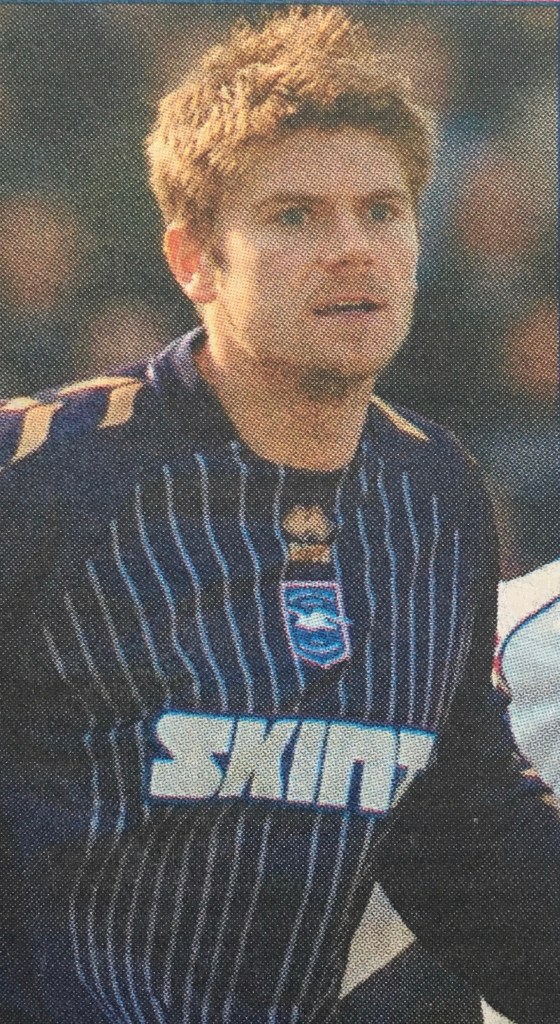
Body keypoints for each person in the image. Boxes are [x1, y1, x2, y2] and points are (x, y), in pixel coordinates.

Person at [0, 8, 557, 1024]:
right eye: (295, 216)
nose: (352, 250)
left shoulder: (435, 495)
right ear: (193, 258)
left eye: (381, 211)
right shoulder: (41, 480)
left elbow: (463, 837)